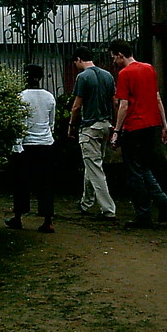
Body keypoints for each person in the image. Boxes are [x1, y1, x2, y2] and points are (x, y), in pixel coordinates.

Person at [107, 38, 167, 228]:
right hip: (151, 125)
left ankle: (143, 213)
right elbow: (157, 98)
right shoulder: (149, 69)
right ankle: (162, 200)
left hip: (134, 126)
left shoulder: (125, 74)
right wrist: (164, 125)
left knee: (134, 172)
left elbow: (123, 105)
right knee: (144, 167)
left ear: (120, 54)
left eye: (114, 58)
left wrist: (117, 131)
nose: (114, 62)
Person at [5, 64, 57, 233]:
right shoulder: (49, 97)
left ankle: (18, 217)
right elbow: (51, 123)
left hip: (27, 145)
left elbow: (21, 123)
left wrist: (16, 145)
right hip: (46, 144)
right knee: (46, 182)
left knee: (21, 182)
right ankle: (47, 219)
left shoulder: (21, 97)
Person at [67, 46, 117, 219]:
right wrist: (115, 126)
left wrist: (71, 126)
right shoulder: (108, 75)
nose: (76, 66)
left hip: (89, 127)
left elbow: (77, 106)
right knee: (93, 165)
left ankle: (108, 209)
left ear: (79, 59)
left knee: (95, 169)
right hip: (105, 124)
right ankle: (86, 202)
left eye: (75, 63)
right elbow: (115, 102)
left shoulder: (83, 77)